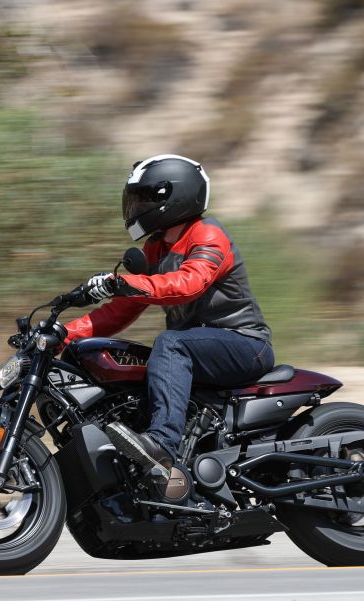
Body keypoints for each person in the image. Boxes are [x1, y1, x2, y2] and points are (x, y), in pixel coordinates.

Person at [63, 154, 273, 480]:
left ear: (172, 197)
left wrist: (123, 283)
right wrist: (65, 333)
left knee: (171, 344)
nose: (134, 208)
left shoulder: (208, 233)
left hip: (245, 342)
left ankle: (162, 445)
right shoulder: (156, 249)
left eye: (144, 199)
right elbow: (120, 311)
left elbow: (189, 284)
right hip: (200, 347)